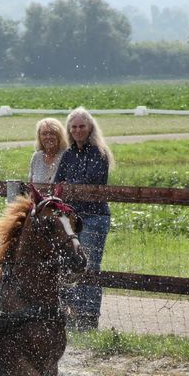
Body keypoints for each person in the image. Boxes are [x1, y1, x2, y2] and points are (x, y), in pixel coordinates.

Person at [54, 107, 113, 330]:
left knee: (89, 266)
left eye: (82, 126)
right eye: (74, 126)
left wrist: (71, 187)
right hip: (71, 216)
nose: (78, 130)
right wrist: (68, 189)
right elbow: (59, 183)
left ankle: (88, 316)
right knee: (69, 263)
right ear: (69, 129)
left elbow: (90, 183)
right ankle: (72, 313)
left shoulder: (99, 152)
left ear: (90, 128)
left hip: (94, 216)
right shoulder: (68, 154)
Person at [29, 118, 66, 183]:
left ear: (59, 136)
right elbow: (30, 184)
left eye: (52, 133)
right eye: (44, 134)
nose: (48, 137)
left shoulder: (66, 156)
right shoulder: (37, 156)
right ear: (39, 137)